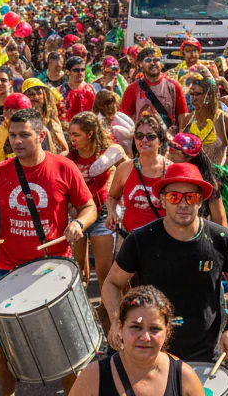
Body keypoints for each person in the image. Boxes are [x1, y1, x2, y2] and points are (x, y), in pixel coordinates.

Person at [0, 107, 97, 396]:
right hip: (9, 271)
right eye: (13, 135)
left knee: (67, 347)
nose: (17, 141)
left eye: (24, 135)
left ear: (41, 135)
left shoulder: (64, 167)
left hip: (53, 268)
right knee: (5, 347)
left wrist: (79, 223)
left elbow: (89, 207)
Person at [103, 164, 228, 369]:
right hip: (152, 349)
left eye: (191, 197)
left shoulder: (220, 238)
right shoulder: (140, 240)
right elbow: (112, 283)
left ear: (200, 201)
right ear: (162, 200)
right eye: (174, 197)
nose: (183, 203)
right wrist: (116, 320)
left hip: (205, 352)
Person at [69, 285, 206, 396]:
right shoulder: (94, 377)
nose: (145, 337)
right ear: (120, 328)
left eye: (154, 329)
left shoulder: (184, 378)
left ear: (167, 331)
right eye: (136, 327)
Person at [66, 110, 126, 327]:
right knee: (78, 270)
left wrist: (118, 203)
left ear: (90, 133)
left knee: (105, 275)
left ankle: (110, 322)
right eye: (70, 134)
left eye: (76, 134)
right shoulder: (69, 158)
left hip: (101, 218)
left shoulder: (105, 153)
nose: (72, 139)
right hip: (77, 218)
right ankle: (83, 319)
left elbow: (128, 170)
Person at [105, 112, 173, 235]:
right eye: (139, 136)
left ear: (161, 141)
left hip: (163, 238)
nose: (144, 140)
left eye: (151, 136)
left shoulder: (170, 170)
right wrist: (112, 213)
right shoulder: (124, 169)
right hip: (130, 238)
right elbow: (112, 197)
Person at [121, 47, 188, 127]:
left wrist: (180, 132)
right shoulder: (132, 89)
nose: (152, 63)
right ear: (140, 64)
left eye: (156, 60)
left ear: (161, 64)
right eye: (148, 60)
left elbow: (182, 115)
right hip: (142, 134)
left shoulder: (173, 86)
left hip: (168, 133)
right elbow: (124, 117)